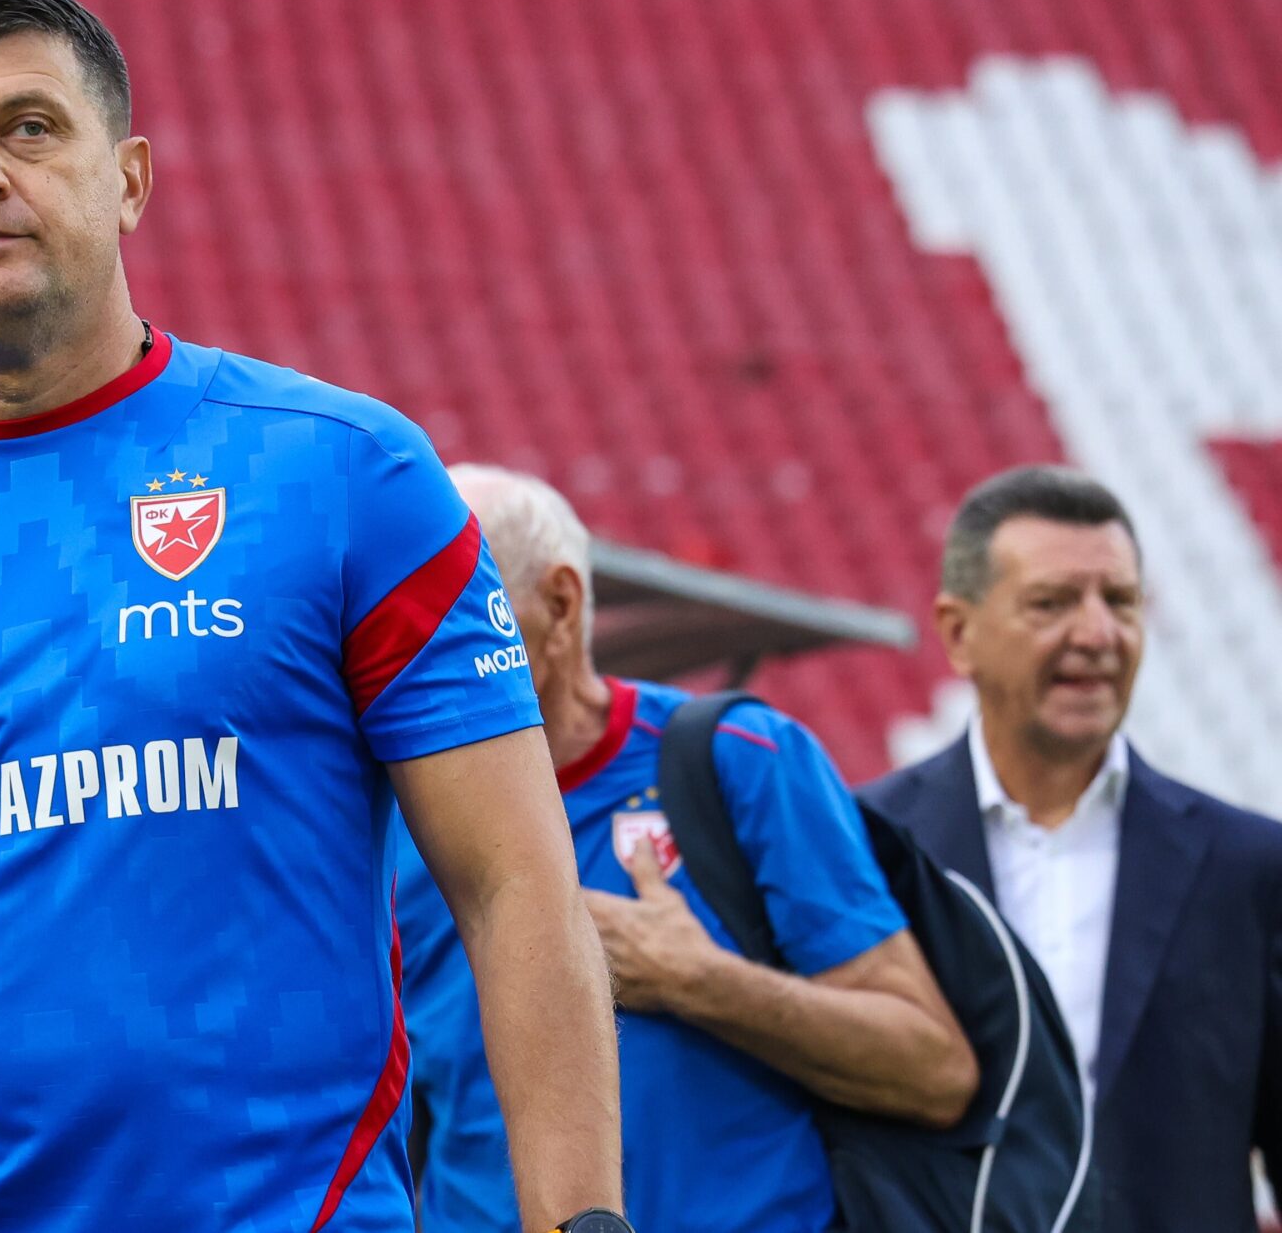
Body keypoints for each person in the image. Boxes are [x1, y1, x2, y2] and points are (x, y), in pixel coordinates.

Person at [0, 0, 623, 1233]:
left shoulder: (346, 473)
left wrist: (583, 1220)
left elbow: (514, 891)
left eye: (28, 127)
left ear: (129, 179)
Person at [392, 466, 974, 1232]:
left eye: (445, 610)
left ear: (560, 605)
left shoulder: (741, 758)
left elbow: (934, 1068)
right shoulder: (392, 817)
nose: (407, 649)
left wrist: (700, 980)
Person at [864, 465, 1282, 1233]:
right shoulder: (866, 844)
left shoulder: (1251, 867)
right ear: (959, 633)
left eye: (1119, 600)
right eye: (1052, 602)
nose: (1097, 634)